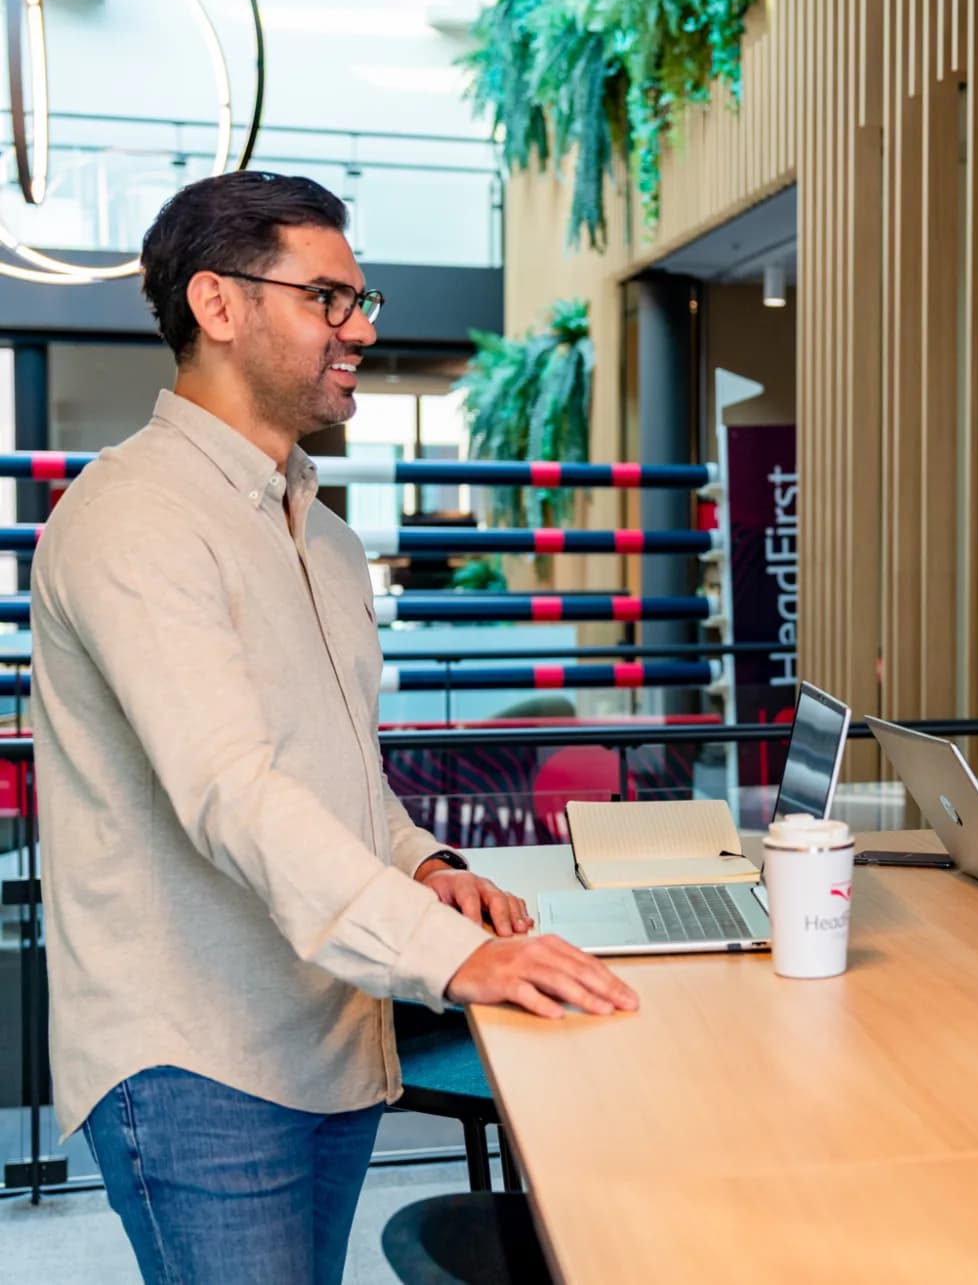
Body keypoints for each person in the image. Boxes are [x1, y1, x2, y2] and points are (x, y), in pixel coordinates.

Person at [32, 171, 640, 1284]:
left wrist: (427, 862)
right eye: (329, 299)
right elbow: (232, 792)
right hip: (196, 1063)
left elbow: (330, 770)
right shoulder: (134, 520)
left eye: (361, 302)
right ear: (219, 306)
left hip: (323, 1032)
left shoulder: (319, 534)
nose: (359, 328)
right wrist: (464, 959)